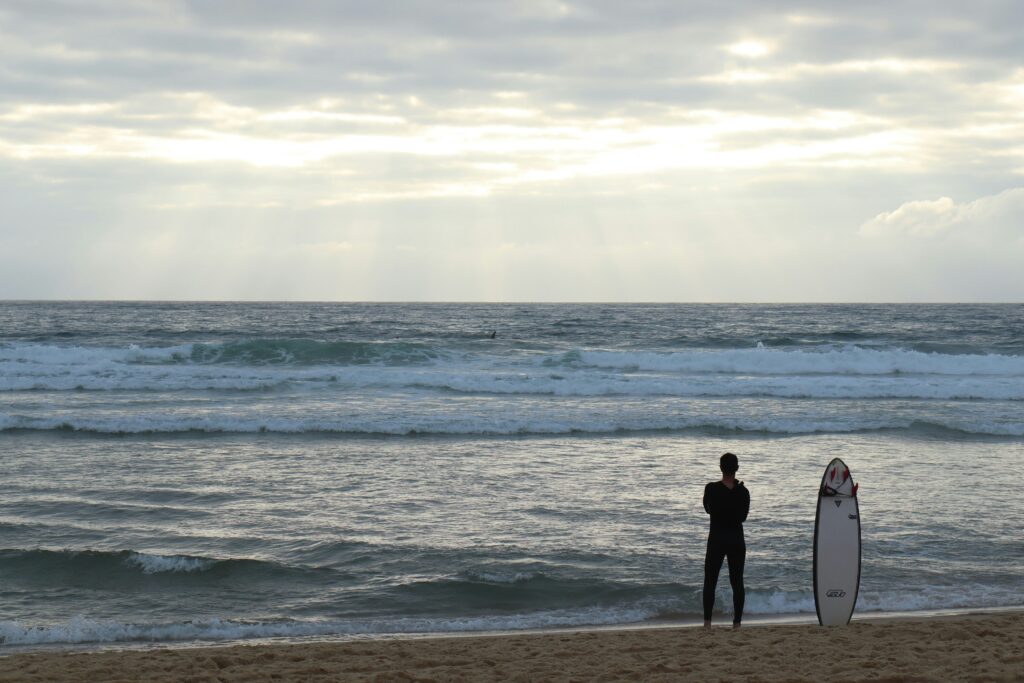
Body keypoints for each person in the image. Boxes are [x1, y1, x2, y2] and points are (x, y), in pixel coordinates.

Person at [702, 452, 749, 628]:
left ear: (720, 468)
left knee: (710, 580)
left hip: (717, 538)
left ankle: (707, 623)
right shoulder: (743, 492)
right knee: (737, 582)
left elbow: (708, 509)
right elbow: (743, 517)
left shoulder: (711, 488)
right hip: (736, 539)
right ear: (736, 468)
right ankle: (737, 623)